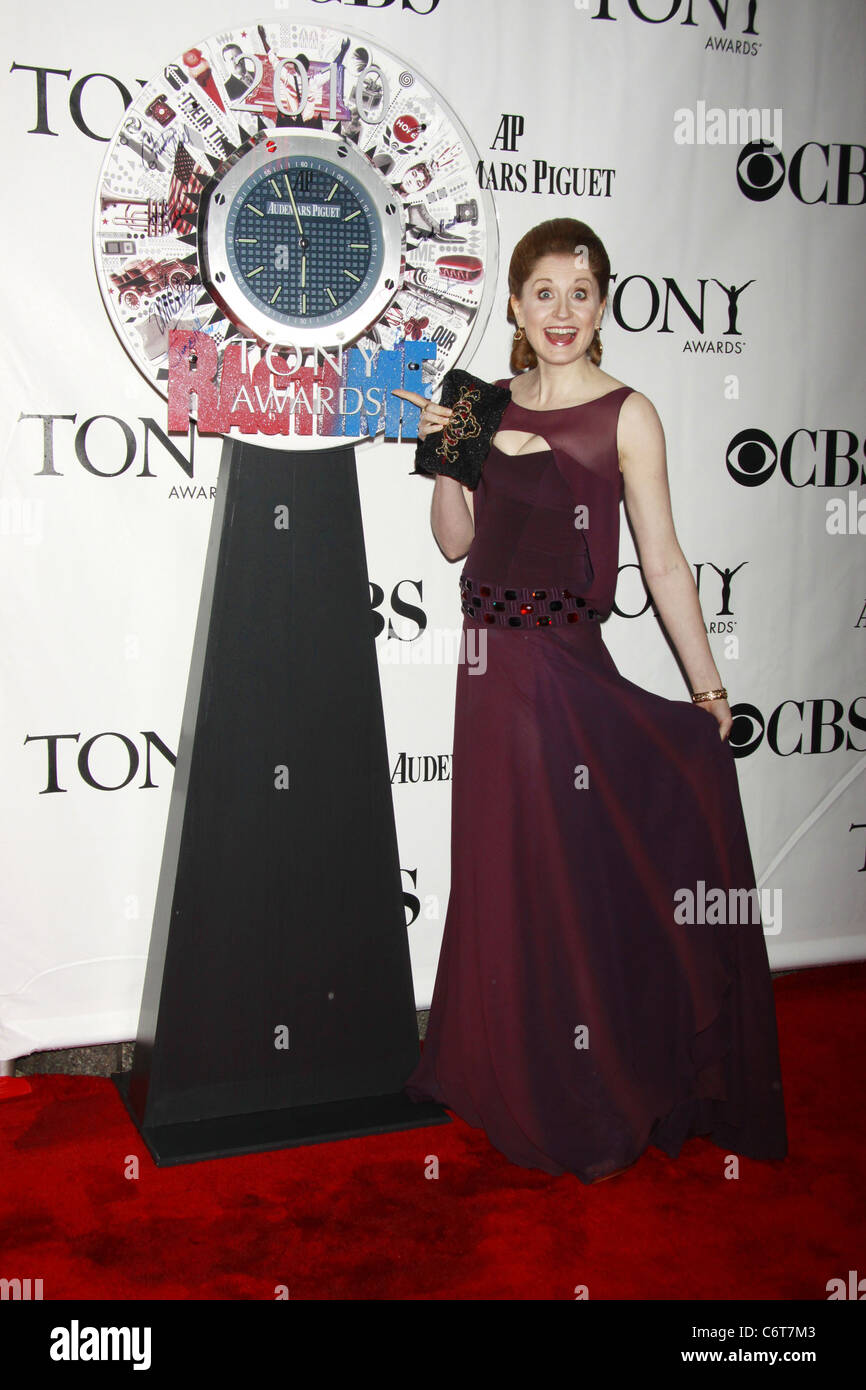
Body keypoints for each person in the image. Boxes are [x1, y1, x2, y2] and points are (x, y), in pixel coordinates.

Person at [393, 218, 789, 1185]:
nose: (562, 312)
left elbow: (660, 560)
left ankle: (591, 1085)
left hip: (565, 675)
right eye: (544, 293)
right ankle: (510, 1073)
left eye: (582, 292)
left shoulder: (628, 413)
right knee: (504, 877)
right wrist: (445, 455)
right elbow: (452, 543)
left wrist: (709, 690)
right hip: (486, 673)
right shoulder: (474, 401)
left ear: (603, 303)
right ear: (517, 306)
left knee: (571, 884)